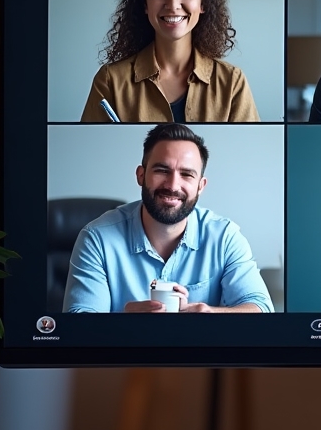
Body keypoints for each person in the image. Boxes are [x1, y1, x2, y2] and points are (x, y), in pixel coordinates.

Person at [63, 124, 273, 313]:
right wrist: (123, 324)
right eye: (162, 170)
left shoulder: (225, 237)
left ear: (201, 186)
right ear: (141, 175)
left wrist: (210, 314)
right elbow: (77, 325)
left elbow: (261, 308)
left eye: (187, 174)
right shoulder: (96, 238)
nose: (173, 185)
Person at [81, 0, 259, 123]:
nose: (173, 4)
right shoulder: (110, 81)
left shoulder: (232, 82)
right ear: (145, 4)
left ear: (202, 3)